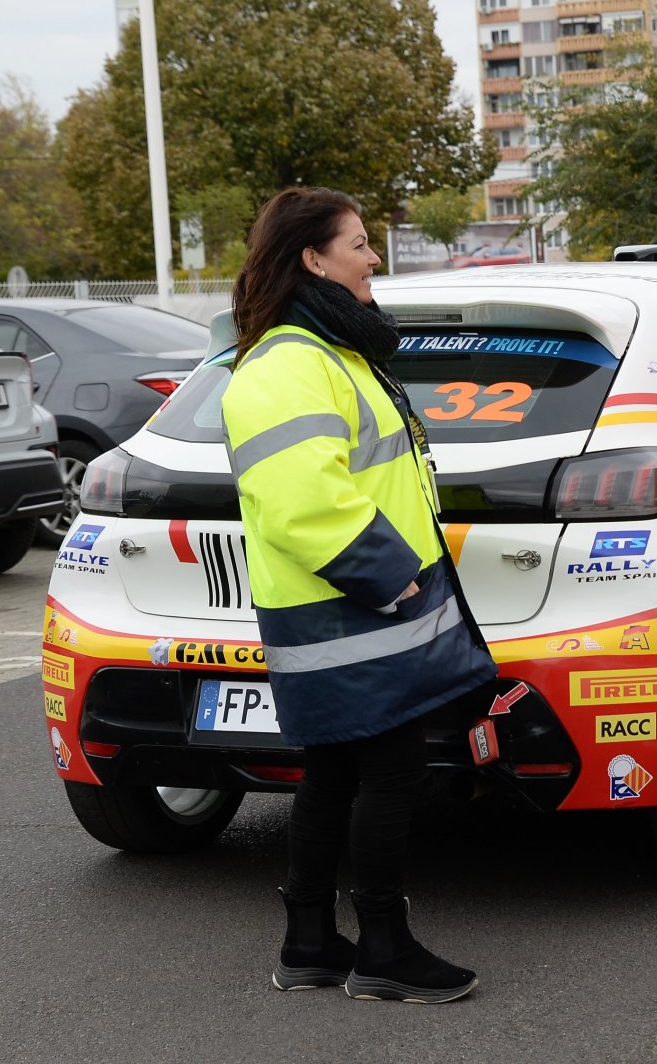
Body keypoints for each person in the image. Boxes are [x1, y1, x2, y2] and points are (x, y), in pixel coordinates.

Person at [223, 187, 495, 1002]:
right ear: (313, 259)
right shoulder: (288, 363)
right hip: (351, 605)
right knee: (390, 772)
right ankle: (382, 948)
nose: (374, 258)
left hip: (354, 606)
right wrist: (391, 573)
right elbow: (302, 495)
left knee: (335, 773)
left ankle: (310, 941)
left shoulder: (328, 352)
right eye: (360, 243)